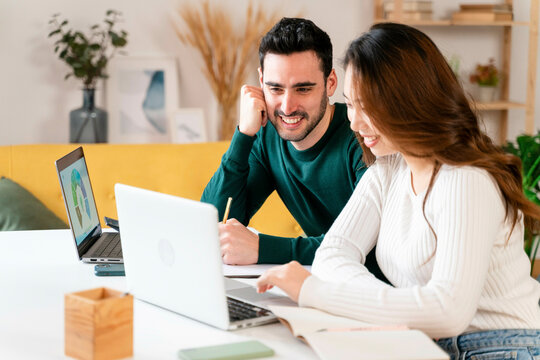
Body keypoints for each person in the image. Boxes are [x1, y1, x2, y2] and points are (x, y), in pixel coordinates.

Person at [256, 23, 540, 358]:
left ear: (411, 101)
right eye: (350, 105)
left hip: (501, 346)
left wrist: (316, 292)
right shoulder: (389, 170)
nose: (356, 123)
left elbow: (447, 312)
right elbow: (331, 255)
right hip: (422, 343)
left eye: (368, 107)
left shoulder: (466, 179)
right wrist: (388, 308)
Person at [201, 17, 385, 281]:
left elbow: (366, 247)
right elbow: (213, 226)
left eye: (303, 89)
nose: (287, 107)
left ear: (331, 82)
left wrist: (262, 248)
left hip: (373, 290)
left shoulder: (363, 137)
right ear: (261, 81)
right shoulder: (266, 137)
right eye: (275, 88)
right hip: (324, 282)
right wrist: (243, 135)